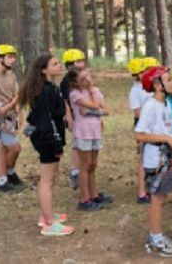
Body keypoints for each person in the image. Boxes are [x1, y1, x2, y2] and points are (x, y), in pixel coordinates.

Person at [19, 53, 74, 236]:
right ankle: (49, 224)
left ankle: (46, 214)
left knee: (51, 178)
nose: (59, 66)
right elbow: (45, 121)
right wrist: (55, 144)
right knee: (47, 179)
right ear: (44, 70)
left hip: (50, 138)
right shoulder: (45, 92)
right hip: (48, 140)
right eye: (55, 64)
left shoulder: (51, 87)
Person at [135, 65, 172, 256]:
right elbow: (139, 134)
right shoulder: (150, 106)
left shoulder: (166, 104)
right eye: (169, 79)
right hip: (155, 160)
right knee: (156, 199)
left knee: (162, 198)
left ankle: (157, 234)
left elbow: (168, 128)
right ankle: (155, 239)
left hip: (166, 158)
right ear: (157, 85)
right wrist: (165, 139)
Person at [69, 69, 112, 210]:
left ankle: (94, 194)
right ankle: (84, 199)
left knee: (93, 164)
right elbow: (94, 105)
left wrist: (90, 111)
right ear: (76, 82)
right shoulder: (75, 94)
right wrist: (93, 100)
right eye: (83, 78)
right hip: (83, 132)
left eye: (88, 76)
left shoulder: (96, 91)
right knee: (85, 165)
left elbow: (106, 110)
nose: (87, 80)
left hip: (95, 132)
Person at [0, 44, 23, 192]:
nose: (13, 60)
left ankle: (2, 181)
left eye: (14, 57)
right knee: (15, 148)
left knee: (3, 148)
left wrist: (18, 111)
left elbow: (17, 95)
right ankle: (10, 173)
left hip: (10, 113)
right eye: (10, 57)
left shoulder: (11, 74)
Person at [61, 48, 87, 190]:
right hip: (74, 116)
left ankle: (81, 169)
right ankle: (75, 172)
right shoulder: (66, 81)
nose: (81, 64)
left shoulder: (82, 78)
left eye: (82, 61)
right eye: (78, 61)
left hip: (84, 117)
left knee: (82, 142)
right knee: (77, 144)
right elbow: (65, 100)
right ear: (70, 64)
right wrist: (69, 118)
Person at [127, 57, 152, 204]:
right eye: (142, 72)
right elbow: (137, 112)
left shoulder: (146, 88)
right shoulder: (135, 91)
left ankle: (150, 185)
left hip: (152, 126)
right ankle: (142, 192)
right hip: (143, 127)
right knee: (143, 159)